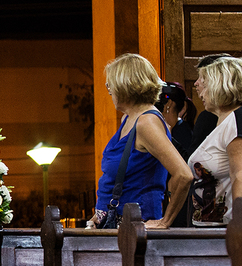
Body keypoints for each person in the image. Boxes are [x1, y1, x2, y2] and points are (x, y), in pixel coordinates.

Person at [86, 53, 191, 230]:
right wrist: (100, 214)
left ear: (126, 85)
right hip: (117, 225)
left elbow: (184, 175)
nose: (108, 89)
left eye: (111, 83)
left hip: (135, 228)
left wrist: (164, 222)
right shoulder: (129, 118)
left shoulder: (146, 122)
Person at [186, 55, 242, 226]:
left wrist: (238, 225)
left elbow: (239, 175)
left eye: (205, 83)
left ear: (220, 85)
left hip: (225, 232)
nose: (200, 90)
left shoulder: (236, 120)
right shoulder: (223, 122)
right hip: (209, 229)